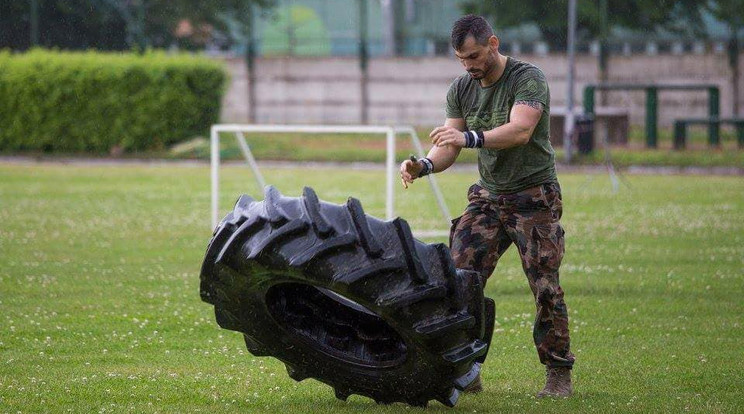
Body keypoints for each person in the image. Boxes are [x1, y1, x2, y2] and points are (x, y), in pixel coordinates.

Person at [400, 15, 574, 398]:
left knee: (545, 286)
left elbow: (520, 130)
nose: (469, 66)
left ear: (493, 44)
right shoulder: (462, 87)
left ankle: (559, 372)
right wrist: (424, 164)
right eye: (462, 59)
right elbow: (449, 143)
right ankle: (465, 369)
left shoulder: (528, 78)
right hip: (488, 198)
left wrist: (469, 137)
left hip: (533, 197)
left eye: (475, 56)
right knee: (458, 281)